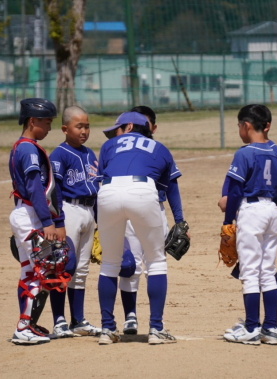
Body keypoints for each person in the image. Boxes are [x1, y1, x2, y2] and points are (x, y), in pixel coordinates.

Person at [96, 111, 177, 345]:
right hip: (142, 190)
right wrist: (179, 219)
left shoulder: (108, 146)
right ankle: (156, 329)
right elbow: (171, 186)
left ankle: (107, 329)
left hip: (108, 192)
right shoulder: (157, 146)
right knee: (156, 261)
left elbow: (101, 178)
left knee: (110, 264)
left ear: (129, 127)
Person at [118, 105, 187, 336]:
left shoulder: (160, 150)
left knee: (155, 265)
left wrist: (180, 221)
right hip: (126, 211)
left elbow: (173, 187)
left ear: (152, 127)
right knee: (129, 266)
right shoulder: (119, 150)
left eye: (144, 124)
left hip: (155, 210)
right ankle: (130, 317)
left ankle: (156, 322)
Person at [221, 104, 277, 345]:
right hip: (270, 209)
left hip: (251, 210)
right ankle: (271, 328)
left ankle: (251, 328)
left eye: (239, 126)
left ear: (246, 126)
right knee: (267, 271)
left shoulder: (244, 153)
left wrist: (228, 223)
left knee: (249, 272)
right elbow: (276, 187)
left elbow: (235, 191)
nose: (239, 130)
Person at [9, 98, 68, 345]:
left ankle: (28, 324)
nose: (50, 128)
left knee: (29, 272)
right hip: (31, 215)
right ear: (32, 121)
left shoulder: (24, 147)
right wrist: (48, 222)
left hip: (27, 214)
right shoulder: (27, 149)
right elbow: (34, 187)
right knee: (41, 271)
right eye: (46, 122)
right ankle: (23, 327)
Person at [48, 106, 102, 338]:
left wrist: (100, 222)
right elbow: (53, 190)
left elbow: (98, 188)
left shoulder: (90, 154)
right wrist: (58, 219)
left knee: (81, 269)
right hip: (68, 210)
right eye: (79, 126)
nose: (84, 131)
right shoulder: (59, 154)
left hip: (88, 211)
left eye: (87, 126)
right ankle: (59, 321)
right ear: (64, 129)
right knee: (63, 266)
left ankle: (77, 320)